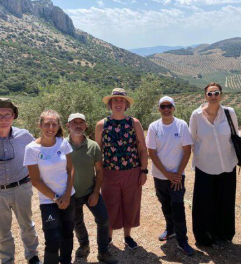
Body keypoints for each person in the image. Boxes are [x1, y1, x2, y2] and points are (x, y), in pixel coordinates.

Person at [0, 98, 41, 264]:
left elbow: (39, 154)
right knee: (2, 231)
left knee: (28, 226)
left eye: (7, 114)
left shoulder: (25, 135)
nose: (3, 118)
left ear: (13, 116)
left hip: (22, 187)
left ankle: (32, 256)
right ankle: (7, 260)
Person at [95, 88, 148, 250]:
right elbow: (98, 151)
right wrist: (99, 175)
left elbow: (142, 149)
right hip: (109, 173)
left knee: (130, 204)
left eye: (121, 100)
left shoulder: (134, 123)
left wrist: (144, 171)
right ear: (110, 104)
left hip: (132, 171)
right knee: (110, 204)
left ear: (126, 105)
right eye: (115, 100)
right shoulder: (101, 125)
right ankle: (109, 237)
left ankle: (127, 236)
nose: (118, 103)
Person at [189, 82, 239, 246]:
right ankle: (204, 236)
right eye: (210, 94)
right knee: (204, 203)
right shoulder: (196, 115)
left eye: (216, 93)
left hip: (227, 165)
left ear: (221, 95)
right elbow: (192, 140)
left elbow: (235, 135)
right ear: (205, 96)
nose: (213, 96)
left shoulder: (229, 113)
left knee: (225, 201)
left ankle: (224, 234)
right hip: (205, 165)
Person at [23, 110, 75, 264]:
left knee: (67, 234)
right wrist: (57, 199)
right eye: (47, 124)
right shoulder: (31, 149)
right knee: (53, 239)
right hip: (48, 201)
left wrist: (67, 195)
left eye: (54, 124)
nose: (50, 128)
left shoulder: (63, 143)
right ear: (40, 125)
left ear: (58, 126)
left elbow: (70, 169)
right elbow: (36, 180)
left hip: (69, 196)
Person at [66, 113, 118, 264]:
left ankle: (103, 252)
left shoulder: (93, 146)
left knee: (103, 220)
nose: (77, 125)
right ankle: (84, 245)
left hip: (90, 191)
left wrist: (96, 192)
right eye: (74, 122)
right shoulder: (61, 146)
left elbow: (100, 171)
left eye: (81, 122)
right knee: (77, 222)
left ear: (85, 125)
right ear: (68, 126)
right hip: (71, 195)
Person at [146, 96, 195, 256]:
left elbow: (187, 150)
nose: (166, 109)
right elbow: (151, 153)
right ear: (159, 109)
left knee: (178, 206)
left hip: (177, 177)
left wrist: (178, 174)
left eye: (169, 106)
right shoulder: (154, 127)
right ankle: (170, 229)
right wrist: (166, 174)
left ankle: (183, 241)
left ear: (173, 108)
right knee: (165, 204)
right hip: (160, 176)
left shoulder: (181, 125)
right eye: (163, 106)